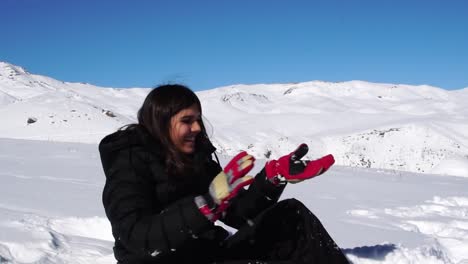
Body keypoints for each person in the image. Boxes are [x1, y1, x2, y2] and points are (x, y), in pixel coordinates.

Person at [99, 84, 350, 264]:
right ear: (161, 123)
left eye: (198, 119)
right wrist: (205, 206)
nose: (197, 128)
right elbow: (135, 236)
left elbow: (238, 215)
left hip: (206, 252)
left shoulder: (197, 159)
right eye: (187, 120)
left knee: (291, 215)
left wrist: (273, 179)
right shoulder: (129, 161)